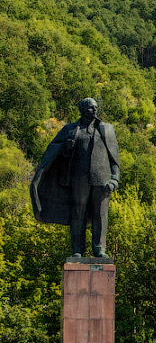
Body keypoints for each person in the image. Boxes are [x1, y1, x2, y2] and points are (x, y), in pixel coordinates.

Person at [30, 98, 120, 258]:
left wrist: (115, 179)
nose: (95, 110)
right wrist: (65, 147)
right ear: (83, 110)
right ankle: (77, 249)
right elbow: (54, 150)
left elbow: (114, 157)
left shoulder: (106, 129)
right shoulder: (71, 129)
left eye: (96, 107)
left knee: (100, 214)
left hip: (102, 178)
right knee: (78, 213)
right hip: (79, 179)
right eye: (91, 108)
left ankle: (100, 248)